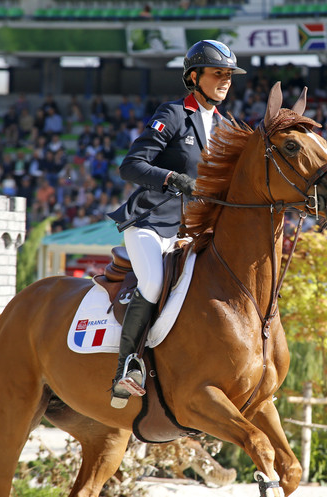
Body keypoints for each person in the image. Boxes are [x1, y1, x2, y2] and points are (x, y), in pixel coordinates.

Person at [107, 40, 246, 409]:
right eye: (218, 73)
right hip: (153, 222)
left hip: (193, 231)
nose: (225, 81)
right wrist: (171, 178)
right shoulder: (171, 114)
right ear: (194, 77)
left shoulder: (224, 126)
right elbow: (131, 165)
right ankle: (127, 368)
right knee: (153, 282)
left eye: (229, 75)